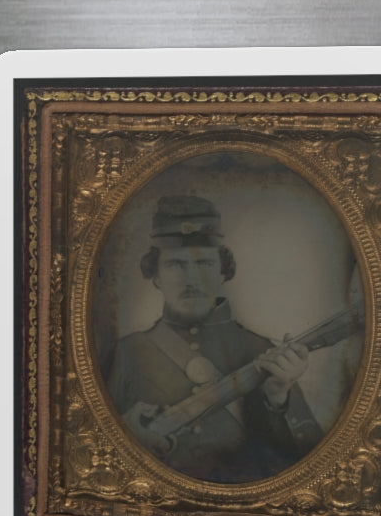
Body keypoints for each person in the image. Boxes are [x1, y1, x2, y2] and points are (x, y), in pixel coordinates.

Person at [101, 195, 324, 483]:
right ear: (154, 275)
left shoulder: (261, 350)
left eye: (204, 264)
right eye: (175, 265)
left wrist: (279, 397)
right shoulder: (126, 354)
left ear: (223, 272)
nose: (190, 279)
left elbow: (306, 464)